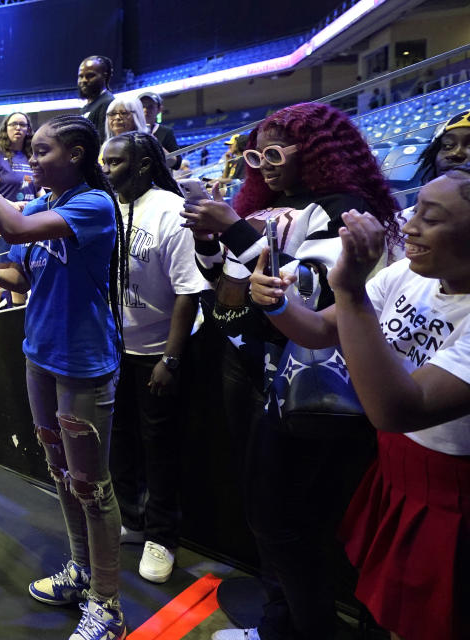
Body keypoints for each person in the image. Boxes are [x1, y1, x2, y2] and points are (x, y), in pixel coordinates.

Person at [182, 103, 400, 640]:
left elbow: (315, 295)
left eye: (275, 152)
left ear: (318, 151)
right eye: (256, 154)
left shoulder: (344, 208)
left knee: (288, 521)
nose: (263, 165)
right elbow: (228, 284)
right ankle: (278, 620)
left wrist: (232, 229)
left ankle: (303, 627)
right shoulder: (269, 203)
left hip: (305, 379)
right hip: (246, 364)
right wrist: (210, 244)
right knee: (262, 511)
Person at [248, 169, 470, 640]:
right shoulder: (408, 273)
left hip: (450, 492)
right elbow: (322, 331)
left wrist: (349, 290)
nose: (408, 227)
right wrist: (276, 305)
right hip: (393, 467)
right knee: (388, 612)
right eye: (415, 212)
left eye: (431, 218)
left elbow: (400, 408)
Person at [0, 114, 129, 639]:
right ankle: (81, 572)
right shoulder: (47, 203)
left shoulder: (94, 205)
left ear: (76, 155)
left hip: (82, 362)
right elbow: (23, 270)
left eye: (43, 150)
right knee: (61, 475)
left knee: (92, 486)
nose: (32, 158)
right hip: (41, 356)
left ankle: (109, 604)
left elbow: (13, 227)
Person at [102, 131, 209, 583]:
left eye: (115, 162)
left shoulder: (170, 209)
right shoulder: (106, 206)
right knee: (120, 439)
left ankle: (163, 537)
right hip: (114, 348)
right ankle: (132, 519)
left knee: (159, 448)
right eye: (103, 162)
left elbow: (189, 292)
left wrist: (171, 358)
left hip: (156, 353)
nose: (105, 170)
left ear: (144, 165)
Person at [0, 111, 38, 311]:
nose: (18, 128)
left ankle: (16, 317)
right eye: (14, 124)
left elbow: (36, 188)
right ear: (6, 128)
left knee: (19, 269)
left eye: (23, 125)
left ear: (28, 129)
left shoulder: (31, 155)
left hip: (26, 221)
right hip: (0, 221)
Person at [138, 92, 181, 169]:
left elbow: (177, 164)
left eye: (150, 106)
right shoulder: (131, 130)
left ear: (159, 109)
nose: (145, 110)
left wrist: (156, 143)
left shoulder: (166, 132)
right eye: (142, 106)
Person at [78, 55, 115, 144]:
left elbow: (103, 141)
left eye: (90, 76)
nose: (84, 80)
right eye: (81, 76)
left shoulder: (108, 102)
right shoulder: (87, 106)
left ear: (104, 76)